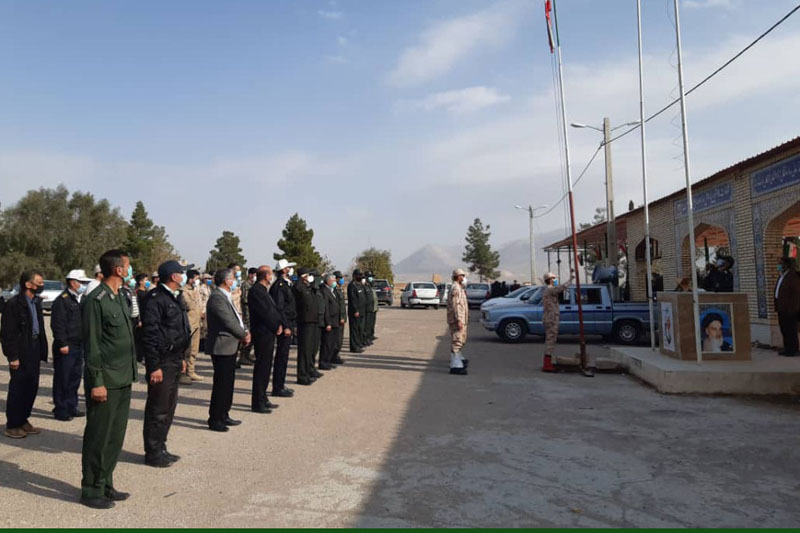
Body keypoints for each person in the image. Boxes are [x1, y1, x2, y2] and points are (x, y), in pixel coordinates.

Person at [80, 249, 137, 509]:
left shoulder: (120, 296)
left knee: (115, 436)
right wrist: (97, 382)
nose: (130, 270)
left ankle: (106, 483)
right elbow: (92, 345)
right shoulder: (96, 300)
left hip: (123, 376)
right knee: (98, 436)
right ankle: (91, 489)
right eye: (128, 266)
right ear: (118, 270)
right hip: (106, 379)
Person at [141, 260, 191, 467]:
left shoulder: (175, 297)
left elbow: (179, 330)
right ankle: (153, 452)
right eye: (181, 273)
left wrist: (182, 358)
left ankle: (161, 446)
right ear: (173, 276)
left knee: (169, 408)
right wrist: (154, 366)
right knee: (158, 409)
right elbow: (150, 335)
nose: (184, 276)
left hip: (174, 359)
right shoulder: (156, 299)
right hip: (161, 361)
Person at [1, 271, 48, 439]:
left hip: (34, 348)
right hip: (21, 351)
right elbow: (8, 333)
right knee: (18, 389)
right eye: (39, 282)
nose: (41, 285)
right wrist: (12, 356)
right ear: (28, 284)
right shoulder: (14, 304)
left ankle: (23, 419)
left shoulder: (36, 302)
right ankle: (13, 424)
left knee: (31, 387)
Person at [205, 268, 250, 431]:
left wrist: (245, 330)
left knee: (228, 384)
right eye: (232, 278)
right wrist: (243, 334)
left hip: (230, 345)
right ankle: (215, 419)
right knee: (221, 385)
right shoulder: (217, 297)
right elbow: (228, 321)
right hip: (222, 346)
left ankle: (224, 414)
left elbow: (236, 318)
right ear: (226, 280)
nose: (234, 281)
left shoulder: (226, 296)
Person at [50, 269, 92, 421]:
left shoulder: (81, 299)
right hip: (66, 345)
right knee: (63, 378)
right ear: (73, 283)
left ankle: (71, 406)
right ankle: (61, 409)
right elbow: (58, 324)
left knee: (74, 378)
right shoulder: (62, 300)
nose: (84, 285)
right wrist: (62, 343)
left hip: (78, 344)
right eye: (82, 282)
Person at [248, 265, 283, 413]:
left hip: (268, 332)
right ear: (266, 276)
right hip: (262, 333)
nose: (272, 276)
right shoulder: (256, 291)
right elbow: (265, 313)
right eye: (270, 274)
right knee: (262, 367)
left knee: (267, 367)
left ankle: (263, 397)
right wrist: (276, 326)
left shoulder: (263, 290)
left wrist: (278, 324)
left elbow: (273, 310)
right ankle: (258, 402)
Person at [270, 259, 297, 397]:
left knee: (284, 356)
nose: (290, 269)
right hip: (285, 323)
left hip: (289, 321)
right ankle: (278, 387)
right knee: (281, 356)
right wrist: (285, 325)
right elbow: (280, 307)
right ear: (284, 270)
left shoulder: (286, 283)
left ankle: (281, 384)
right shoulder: (279, 285)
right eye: (288, 267)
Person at [541, 271, 573, 372]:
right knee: (550, 340)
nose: (555, 280)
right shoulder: (550, 289)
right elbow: (561, 288)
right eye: (554, 278)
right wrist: (571, 279)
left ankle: (548, 363)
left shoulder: (548, 290)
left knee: (551, 340)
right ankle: (547, 364)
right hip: (551, 318)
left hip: (550, 317)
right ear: (550, 280)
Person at [294, 267, 320, 385]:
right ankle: (302, 375)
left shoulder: (308, 287)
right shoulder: (299, 287)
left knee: (310, 349)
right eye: (308, 275)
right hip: (304, 322)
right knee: (304, 350)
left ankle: (308, 371)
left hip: (312, 321)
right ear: (303, 276)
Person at [774, 256, 800, 357]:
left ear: (786, 265)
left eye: (780, 263)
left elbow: (796, 293)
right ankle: (787, 347)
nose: (778, 265)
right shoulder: (782, 276)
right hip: (781, 308)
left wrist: (793, 308)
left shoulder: (792, 277)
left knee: (791, 329)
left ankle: (792, 349)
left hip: (789, 309)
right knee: (784, 329)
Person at [181, 269, 204, 382]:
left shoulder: (196, 289)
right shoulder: (184, 291)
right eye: (196, 278)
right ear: (190, 279)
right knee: (186, 350)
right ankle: (183, 373)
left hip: (197, 323)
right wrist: (194, 294)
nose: (197, 281)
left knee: (194, 350)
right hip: (189, 323)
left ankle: (191, 371)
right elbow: (188, 304)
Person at [446, 269, 469, 375]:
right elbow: (456, 306)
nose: (463, 278)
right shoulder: (456, 288)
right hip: (457, 319)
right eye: (462, 276)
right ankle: (455, 366)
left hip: (460, 319)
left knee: (460, 340)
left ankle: (457, 360)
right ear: (458, 276)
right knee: (457, 340)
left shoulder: (459, 288)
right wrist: (459, 319)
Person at [319, 273, 341, 370]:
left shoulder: (332, 291)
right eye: (333, 281)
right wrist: (328, 322)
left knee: (332, 343)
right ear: (328, 281)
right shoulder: (324, 291)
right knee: (327, 344)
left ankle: (329, 360)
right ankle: (323, 362)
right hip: (330, 321)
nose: (334, 282)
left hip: (335, 321)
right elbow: (326, 308)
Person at [237, 267, 257, 367]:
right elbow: (245, 299)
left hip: (252, 312)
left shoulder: (253, 285)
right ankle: (243, 356)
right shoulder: (246, 285)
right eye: (254, 275)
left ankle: (247, 355)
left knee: (252, 335)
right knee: (247, 334)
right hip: (247, 313)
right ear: (250, 275)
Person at [347, 269, 367, 353]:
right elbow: (353, 299)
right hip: (355, 312)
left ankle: (358, 344)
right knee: (354, 330)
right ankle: (354, 347)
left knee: (360, 329)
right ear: (354, 276)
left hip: (362, 311)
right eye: (359, 275)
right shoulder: (352, 285)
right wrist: (356, 310)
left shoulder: (360, 285)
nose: (360, 277)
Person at [333, 271, 347, 365]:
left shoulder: (340, 289)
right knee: (336, 340)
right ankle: (334, 356)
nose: (342, 279)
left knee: (340, 339)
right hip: (337, 318)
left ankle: (336, 355)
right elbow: (336, 306)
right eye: (340, 278)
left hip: (342, 317)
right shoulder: (334, 290)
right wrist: (340, 317)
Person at [364, 271, 378, 345]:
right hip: (368, 309)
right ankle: (366, 338)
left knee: (372, 323)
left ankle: (371, 335)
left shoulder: (371, 286)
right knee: (367, 325)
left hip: (373, 308)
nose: (371, 278)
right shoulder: (365, 286)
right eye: (370, 277)